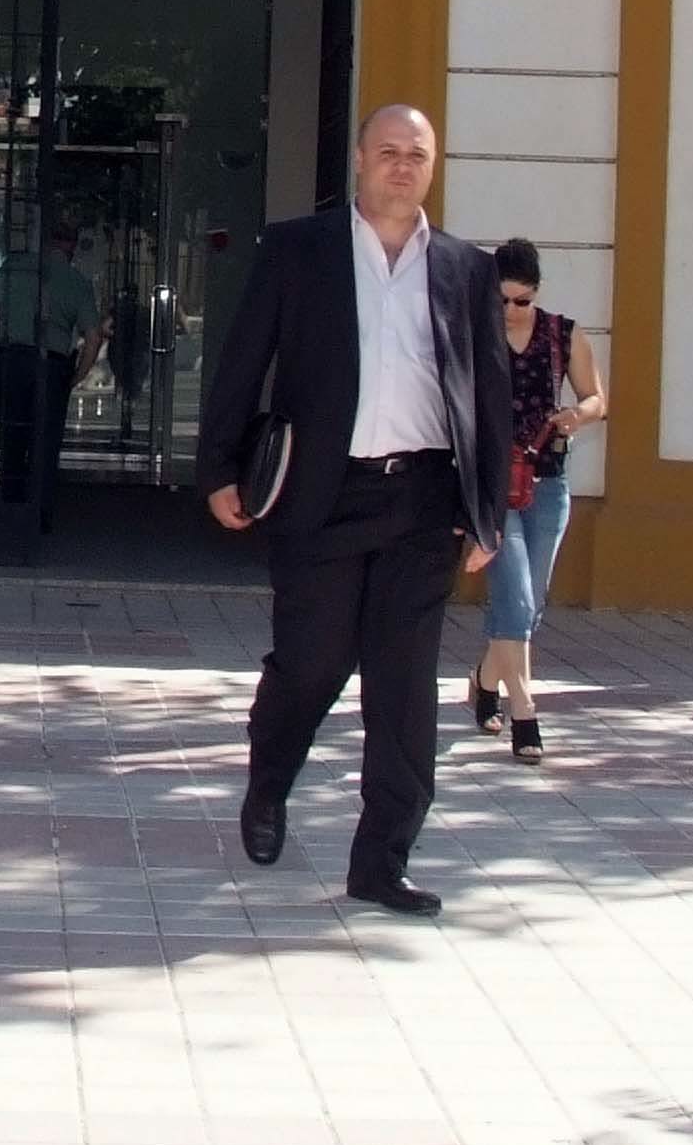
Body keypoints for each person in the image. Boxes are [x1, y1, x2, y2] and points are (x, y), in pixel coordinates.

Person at [191, 105, 515, 917]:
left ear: (433, 166)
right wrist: (219, 467)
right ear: (360, 162)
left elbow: (492, 401)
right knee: (312, 665)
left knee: (403, 692)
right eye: (388, 152)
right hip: (322, 498)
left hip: (422, 500)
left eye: (418, 155)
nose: (403, 167)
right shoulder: (300, 251)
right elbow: (244, 358)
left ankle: (381, 862)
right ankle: (269, 782)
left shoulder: (466, 270)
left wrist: (488, 514)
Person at [472, 238, 604, 766]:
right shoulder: (475, 334)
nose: (510, 311)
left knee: (532, 601)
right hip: (493, 483)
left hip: (548, 481)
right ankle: (524, 714)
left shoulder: (563, 335)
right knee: (516, 599)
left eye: (521, 301)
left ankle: (484, 680)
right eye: (501, 300)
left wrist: (581, 414)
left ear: (537, 294)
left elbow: (598, 397)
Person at [0, 220, 99, 500]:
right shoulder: (78, 283)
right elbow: (92, 338)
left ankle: (11, 497)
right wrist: (76, 375)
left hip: (14, 359)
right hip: (53, 365)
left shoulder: (15, 266)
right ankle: (40, 501)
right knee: (46, 437)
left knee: (13, 432)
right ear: (72, 247)